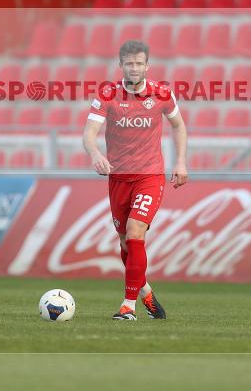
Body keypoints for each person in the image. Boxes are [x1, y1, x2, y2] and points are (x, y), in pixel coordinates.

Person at [82, 40, 189, 320]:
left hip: (149, 175)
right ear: (121, 66)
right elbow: (89, 133)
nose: (134, 68)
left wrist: (180, 161)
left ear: (147, 66)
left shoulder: (162, 93)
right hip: (118, 177)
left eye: (139, 63)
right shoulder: (107, 94)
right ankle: (146, 294)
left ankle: (127, 307)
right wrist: (94, 154)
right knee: (126, 244)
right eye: (129, 63)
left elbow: (178, 125)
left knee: (135, 231)